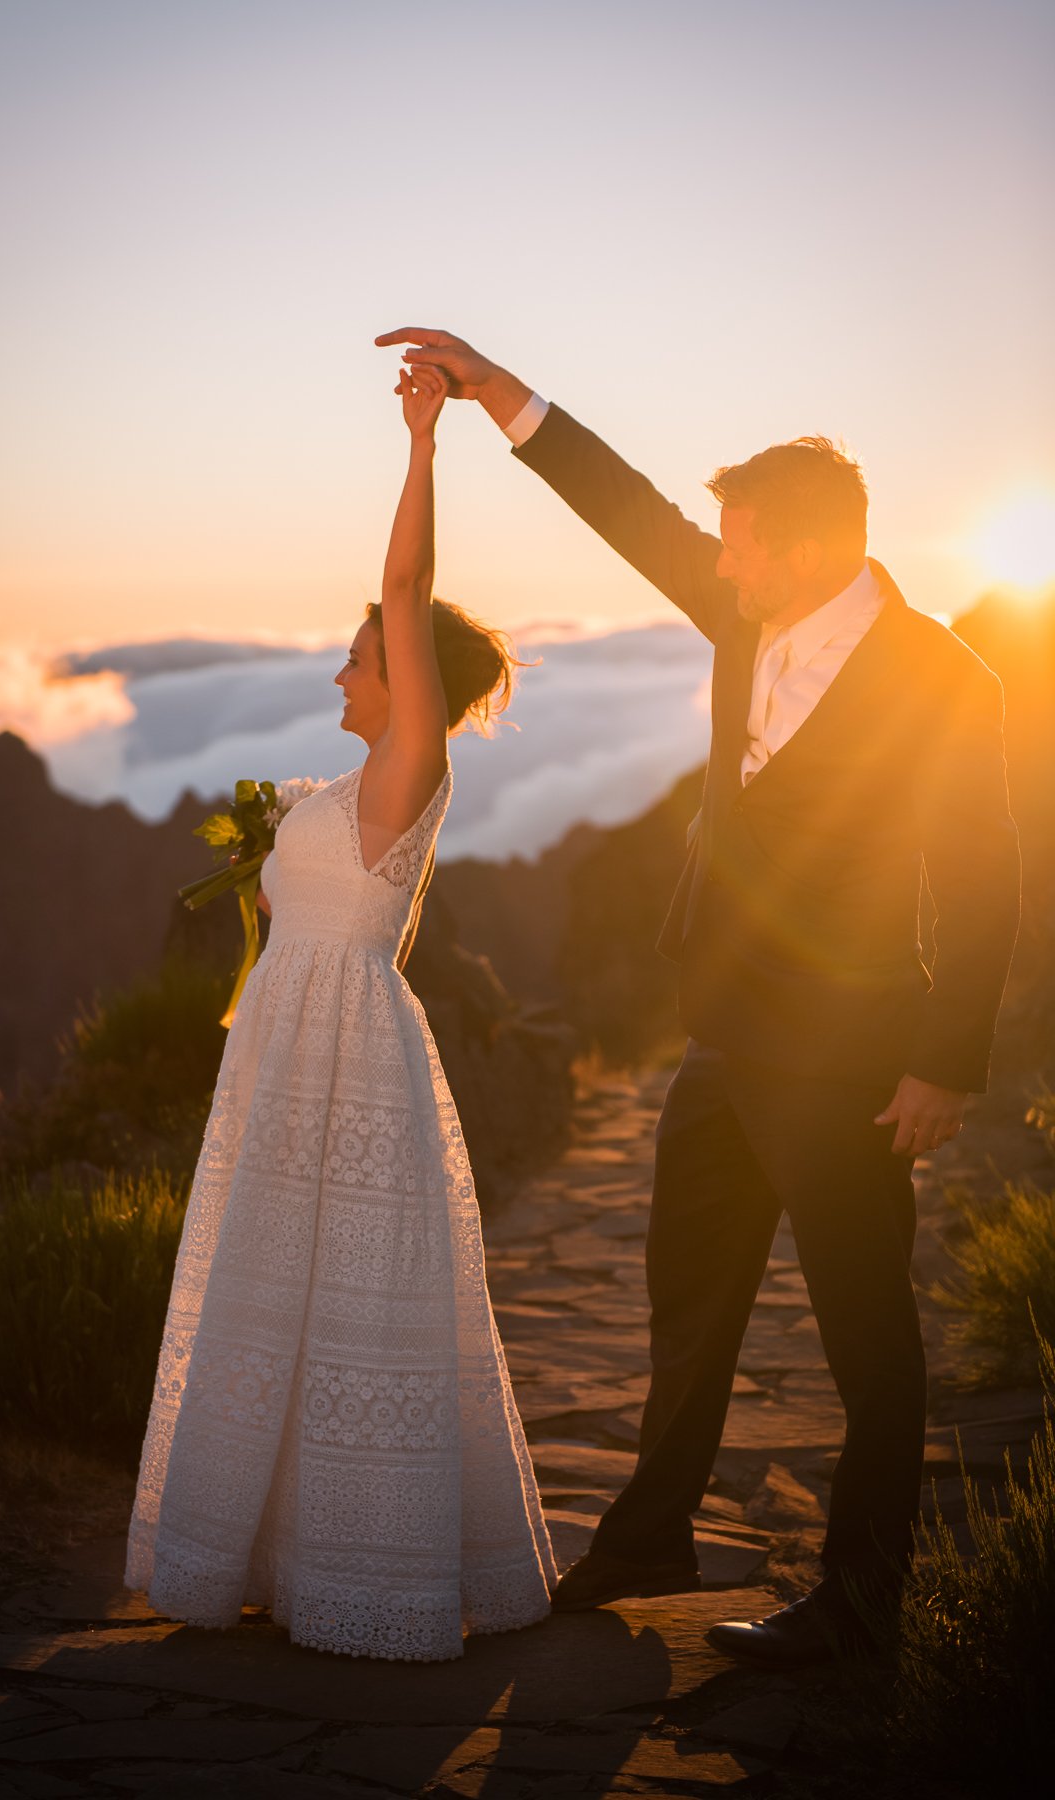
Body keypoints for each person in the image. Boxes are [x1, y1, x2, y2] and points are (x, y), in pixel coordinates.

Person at [374, 325, 1021, 1666]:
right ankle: (650, 1536)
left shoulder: (945, 680)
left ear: (810, 545)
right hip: (725, 1041)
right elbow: (630, 512)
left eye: (739, 539)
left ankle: (859, 1605)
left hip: (849, 1062)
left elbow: (982, 878)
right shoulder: (746, 611)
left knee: (866, 1339)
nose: (715, 560)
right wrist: (503, 398)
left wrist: (946, 1064)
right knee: (690, 1304)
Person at [125, 361, 555, 1661]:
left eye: (359, 658)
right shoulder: (363, 784)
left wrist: (425, 443)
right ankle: (278, 1550)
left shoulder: (414, 765)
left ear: (412, 678)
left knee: (347, 1298)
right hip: (287, 1050)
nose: (340, 674)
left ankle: (365, 1569)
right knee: (283, 1298)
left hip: (349, 1058)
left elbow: (411, 594)